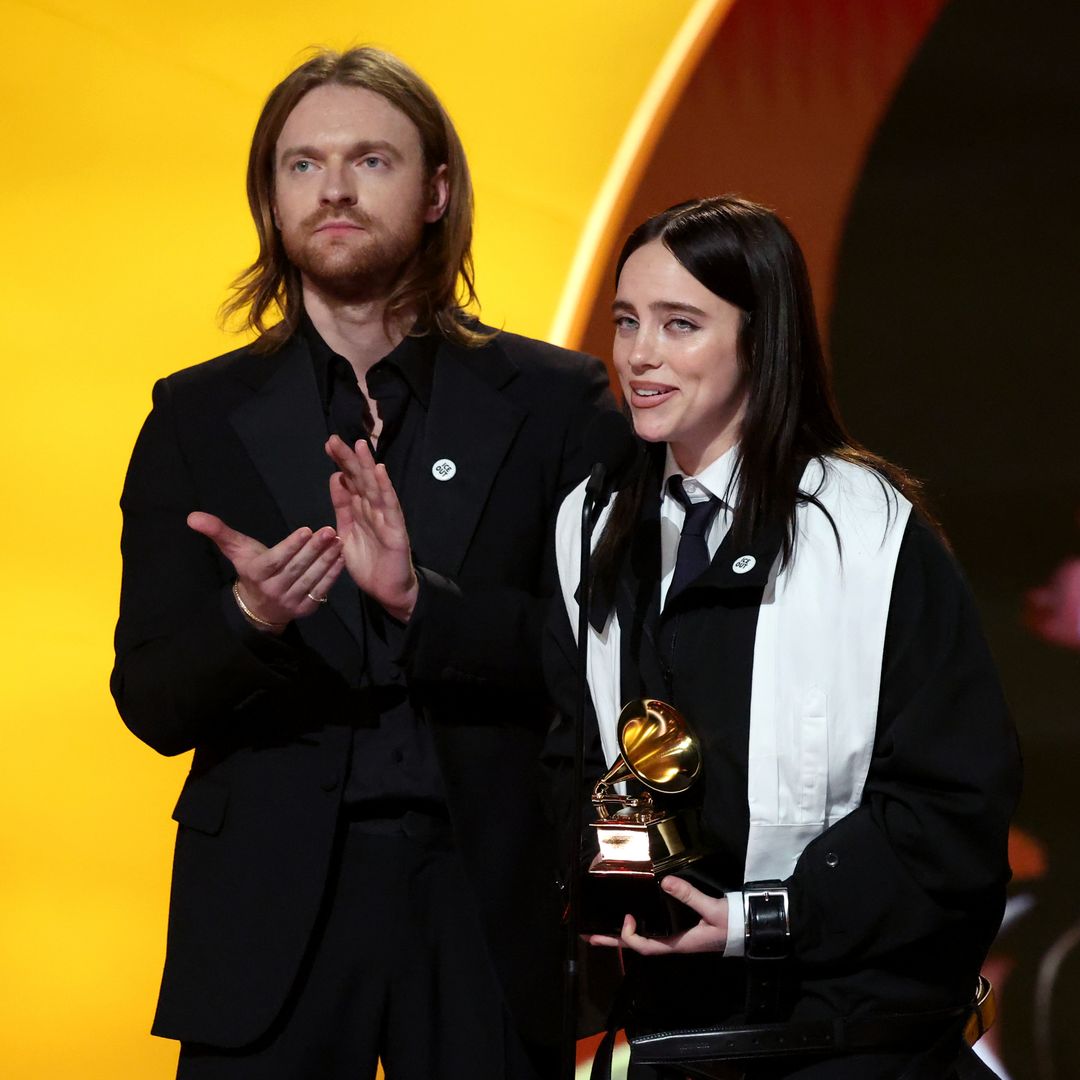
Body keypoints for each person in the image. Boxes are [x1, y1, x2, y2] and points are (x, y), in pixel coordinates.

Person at [111, 46, 611, 1080]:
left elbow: (601, 661)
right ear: (269, 197)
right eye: (303, 165)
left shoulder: (558, 402)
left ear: (436, 192)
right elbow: (150, 697)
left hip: (486, 908)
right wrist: (250, 618)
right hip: (267, 921)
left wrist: (422, 606)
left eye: (370, 160)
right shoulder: (194, 416)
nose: (333, 188)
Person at [546, 196, 1021, 1078]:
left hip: (845, 1041)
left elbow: (952, 803)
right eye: (627, 321)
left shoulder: (867, 529)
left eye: (679, 324)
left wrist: (768, 915)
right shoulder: (589, 521)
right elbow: (565, 758)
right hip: (668, 1037)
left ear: (761, 340)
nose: (640, 355)